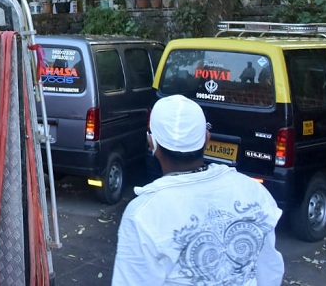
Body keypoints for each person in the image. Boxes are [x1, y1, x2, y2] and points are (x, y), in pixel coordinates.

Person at [112, 95, 283, 285]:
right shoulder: (254, 192)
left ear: (152, 143)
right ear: (206, 138)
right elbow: (270, 271)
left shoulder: (143, 215)